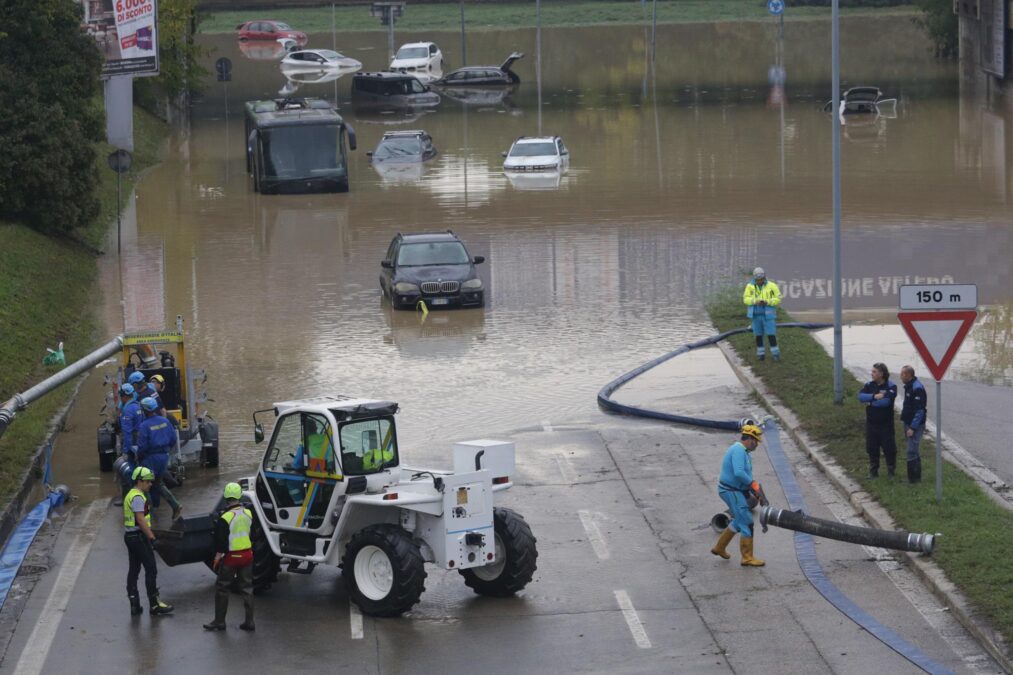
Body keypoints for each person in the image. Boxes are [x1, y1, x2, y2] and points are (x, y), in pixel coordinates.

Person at [711, 424, 766, 567]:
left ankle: (719, 548)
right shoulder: (738, 450)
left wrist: (754, 490)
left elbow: (745, 474)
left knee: (738, 521)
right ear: (751, 440)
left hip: (736, 490)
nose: (757, 445)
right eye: (757, 442)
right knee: (747, 522)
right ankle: (747, 557)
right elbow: (739, 473)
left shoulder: (744, 451)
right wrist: (753, 484)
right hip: (731, 491)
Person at [203, 483, 255, 632]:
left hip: (232, 557)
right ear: (239, 497)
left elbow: (221, 544)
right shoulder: (249, 513)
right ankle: (249, 622)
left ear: (226, 497)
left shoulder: (225, 518)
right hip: (247, 555)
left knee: (222, 588)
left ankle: (219, 621)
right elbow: (254, 534)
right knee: (247, 588)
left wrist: (217, 559)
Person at [123, 466, 174, 616]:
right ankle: (154, 604)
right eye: (148, 481)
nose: (150, 484)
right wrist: (152, 538)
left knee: (134, 570)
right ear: (139, 481)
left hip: (130, 537)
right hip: (139, 537)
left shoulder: (130, 494)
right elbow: (140, 519)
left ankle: (134, 603)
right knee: (151, 569)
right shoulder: (138, 497)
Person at [137, 397, 183, 520]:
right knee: (158, 482)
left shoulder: (144, 426)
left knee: (144, 484)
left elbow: (142, 447)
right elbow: (173, 439)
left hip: (150, 458)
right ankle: (175, 505)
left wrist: (139, 458)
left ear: (144, 410)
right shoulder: (165, 421)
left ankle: (149, 513)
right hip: (163, 457)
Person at [858, 363, 898, 478]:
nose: (872, 373)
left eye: (874, 372)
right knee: (872, 448)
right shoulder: (869, 385)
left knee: (889, 448)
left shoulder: (891, 386)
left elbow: (885, 403)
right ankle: (873, 472)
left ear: (882, 374)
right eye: (872, 371)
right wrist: (873, 397)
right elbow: (860, 397)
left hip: (886, 424)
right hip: (871, 424)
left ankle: (891, 471)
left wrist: (870, 402)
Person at [742, 267, 783, 361]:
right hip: (755, 315)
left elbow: (778, 298)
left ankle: (775, 354)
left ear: (764, 278)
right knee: (758, 335)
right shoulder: (749, 286)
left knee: (771, 334)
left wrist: (768, 302)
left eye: (761, 279)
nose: (760, 281)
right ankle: (761, 354)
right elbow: (745, 299)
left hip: (768, 316)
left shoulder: (772, 286)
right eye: (758, 280)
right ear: (754, 278)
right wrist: (754, 301)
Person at [900, 365, 927, 484]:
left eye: (902, 374)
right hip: (908, 422)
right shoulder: (910, 386)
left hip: (914, 425)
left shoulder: (917, 388)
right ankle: (915, 478)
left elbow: (920, 410)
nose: (901, 377)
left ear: (908, 375)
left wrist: (912, 427)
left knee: (911, 450)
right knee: (913, 450)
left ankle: (913, 479)